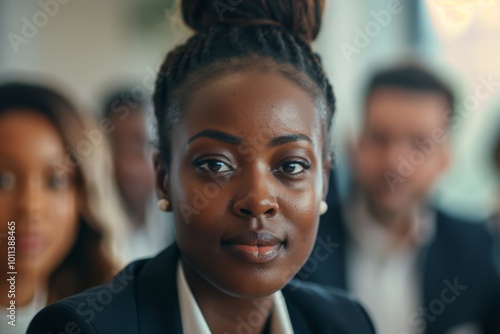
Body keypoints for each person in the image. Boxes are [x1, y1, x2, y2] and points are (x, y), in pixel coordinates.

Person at [27, 0, 376, 333]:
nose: (257, 199)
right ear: (163, 177)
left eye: (292, 166)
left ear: (324, 181)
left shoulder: (346, 323)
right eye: (215, 163)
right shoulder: (81, 328)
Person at [299, 64, 500, 334]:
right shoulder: (302, 243)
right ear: (355, 145)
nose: (396, 163)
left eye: (419, 144)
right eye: (379, 138)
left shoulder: (476, 246)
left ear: (445, 158)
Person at [0, 81, 125, 333]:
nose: (30, 206)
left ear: (84, 196)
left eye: (56, 181)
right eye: (3, 180)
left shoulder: (109, 316)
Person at [101, 89, 174, 262]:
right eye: (114, 147)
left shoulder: (182, 223)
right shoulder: (85, 235)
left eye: (139, 146)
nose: (126, 165)